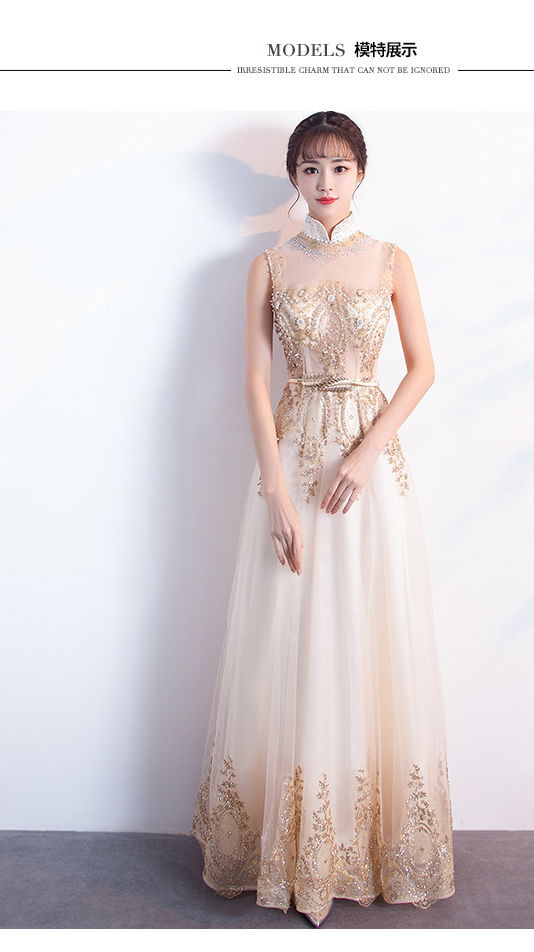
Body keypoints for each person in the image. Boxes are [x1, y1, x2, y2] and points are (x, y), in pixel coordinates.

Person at [190, 111, 454, 927]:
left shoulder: (392, 259)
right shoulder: (268, 266)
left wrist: (367, 454)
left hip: (369, 472)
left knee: (370, 630)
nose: (325, 182)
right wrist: (275, 491)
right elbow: (251, 382)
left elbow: (422, 370)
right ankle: (293, 850)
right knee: (290, 634)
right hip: (294, 462)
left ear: (361, 173)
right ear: (293, 178)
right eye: (310, 168)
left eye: (339, 167)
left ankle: (363, 849)